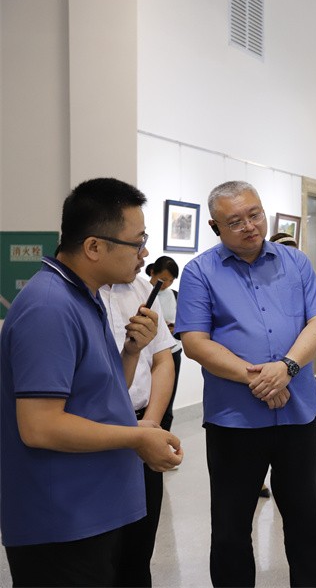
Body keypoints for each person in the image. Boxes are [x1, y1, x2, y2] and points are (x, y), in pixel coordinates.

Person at [0, 178, 183, 587]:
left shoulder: (86, 296)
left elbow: (98, 396)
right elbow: (40, 426)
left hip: (93, 511)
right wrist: (137, 437)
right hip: (62, 522)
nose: (145, 254)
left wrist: (131, 352)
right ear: (94, 247)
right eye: (137, 242)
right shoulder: (49, 307)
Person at [176, 181, 316, 587]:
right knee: (230, 530)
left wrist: (287, 369)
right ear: (215, 227)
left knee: (306, 523)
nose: (249, 226)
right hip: (235, 420)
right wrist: (261, 378)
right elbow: (195, 342)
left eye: (255, 214)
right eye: (235, 221)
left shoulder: (296, 263)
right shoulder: (199, 272)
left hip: (298, 414)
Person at [99, 272, 177, 587]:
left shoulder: (142, 288)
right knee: (98, 554)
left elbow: (163, 361)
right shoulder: (75, 295)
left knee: (138, 549)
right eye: (135, 247)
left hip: (143, 424)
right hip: (96, 432)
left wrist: (150, 426)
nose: (143, 255)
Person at [146, 255, 182, 431]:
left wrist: (176, 329)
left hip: (172, 352)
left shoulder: (175, 295)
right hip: (147, 354)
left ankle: (163, 438)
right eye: (163, 279)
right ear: (152, 272)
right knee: (146, 402)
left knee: (166, 404)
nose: (166, 284)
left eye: (171, 280)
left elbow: (184, 325)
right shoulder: (142, 291)